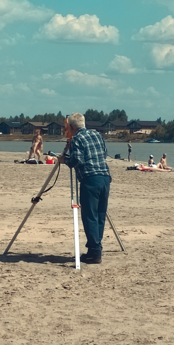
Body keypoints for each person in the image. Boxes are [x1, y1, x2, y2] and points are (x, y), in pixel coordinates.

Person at [58, 112, 111, 264]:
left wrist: (64, 159)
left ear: (72, 127)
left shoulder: (77, 139)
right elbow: (104, 153)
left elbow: (77, 161)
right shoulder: (97, 135)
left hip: (90, 179)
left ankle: (94, 252)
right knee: (100, 215)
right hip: (105, 178)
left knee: (90, 216)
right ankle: (96, 249)